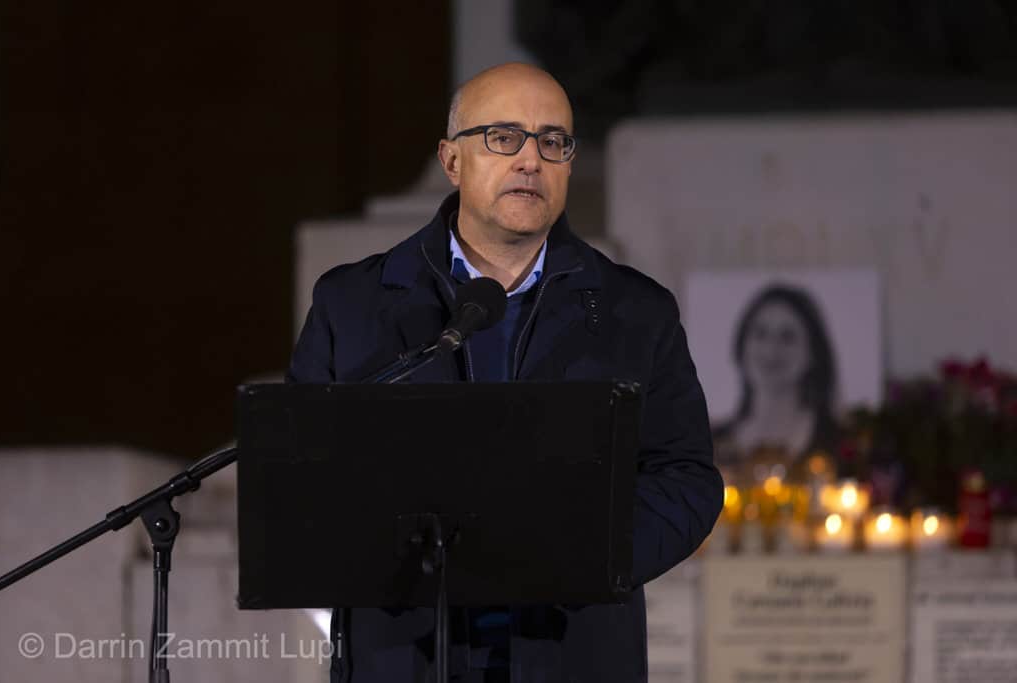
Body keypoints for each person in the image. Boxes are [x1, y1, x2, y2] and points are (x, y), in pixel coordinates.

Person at [288, 62, 722, 683]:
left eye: (553, 142)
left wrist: (585, 558)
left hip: (571, 650)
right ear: (452, 160)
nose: (530, 160)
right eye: (503, 137)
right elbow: (302, 472)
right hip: (403, 653)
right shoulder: (353, 304)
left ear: (569, 164)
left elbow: (685, 478)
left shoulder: (636, 311)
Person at [713, 284, 840, 464]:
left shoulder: (840, 443)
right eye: (760, 334)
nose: (771, 350)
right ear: (742, 345)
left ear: (813, 353)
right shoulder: (710, 442)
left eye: (787, 337)